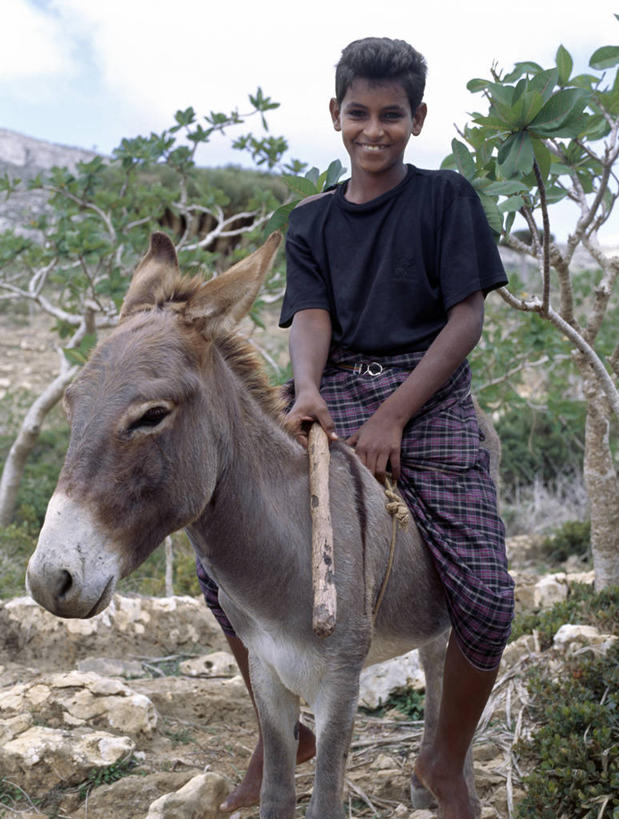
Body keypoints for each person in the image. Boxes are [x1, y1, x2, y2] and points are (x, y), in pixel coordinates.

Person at [197, 36, 515, 818]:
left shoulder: (446, 199)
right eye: (358, 113)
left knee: (487, 594)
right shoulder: (311, 221)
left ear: (417, 118)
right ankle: (282, 731)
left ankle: (443, 757)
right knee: (219, 556)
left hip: (429, 396)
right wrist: (305, 389)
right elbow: (311, 315)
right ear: (334, 115)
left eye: (391, 116)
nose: (373, 130)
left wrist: (394, 414)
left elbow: (465, 317)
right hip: (332, 387)